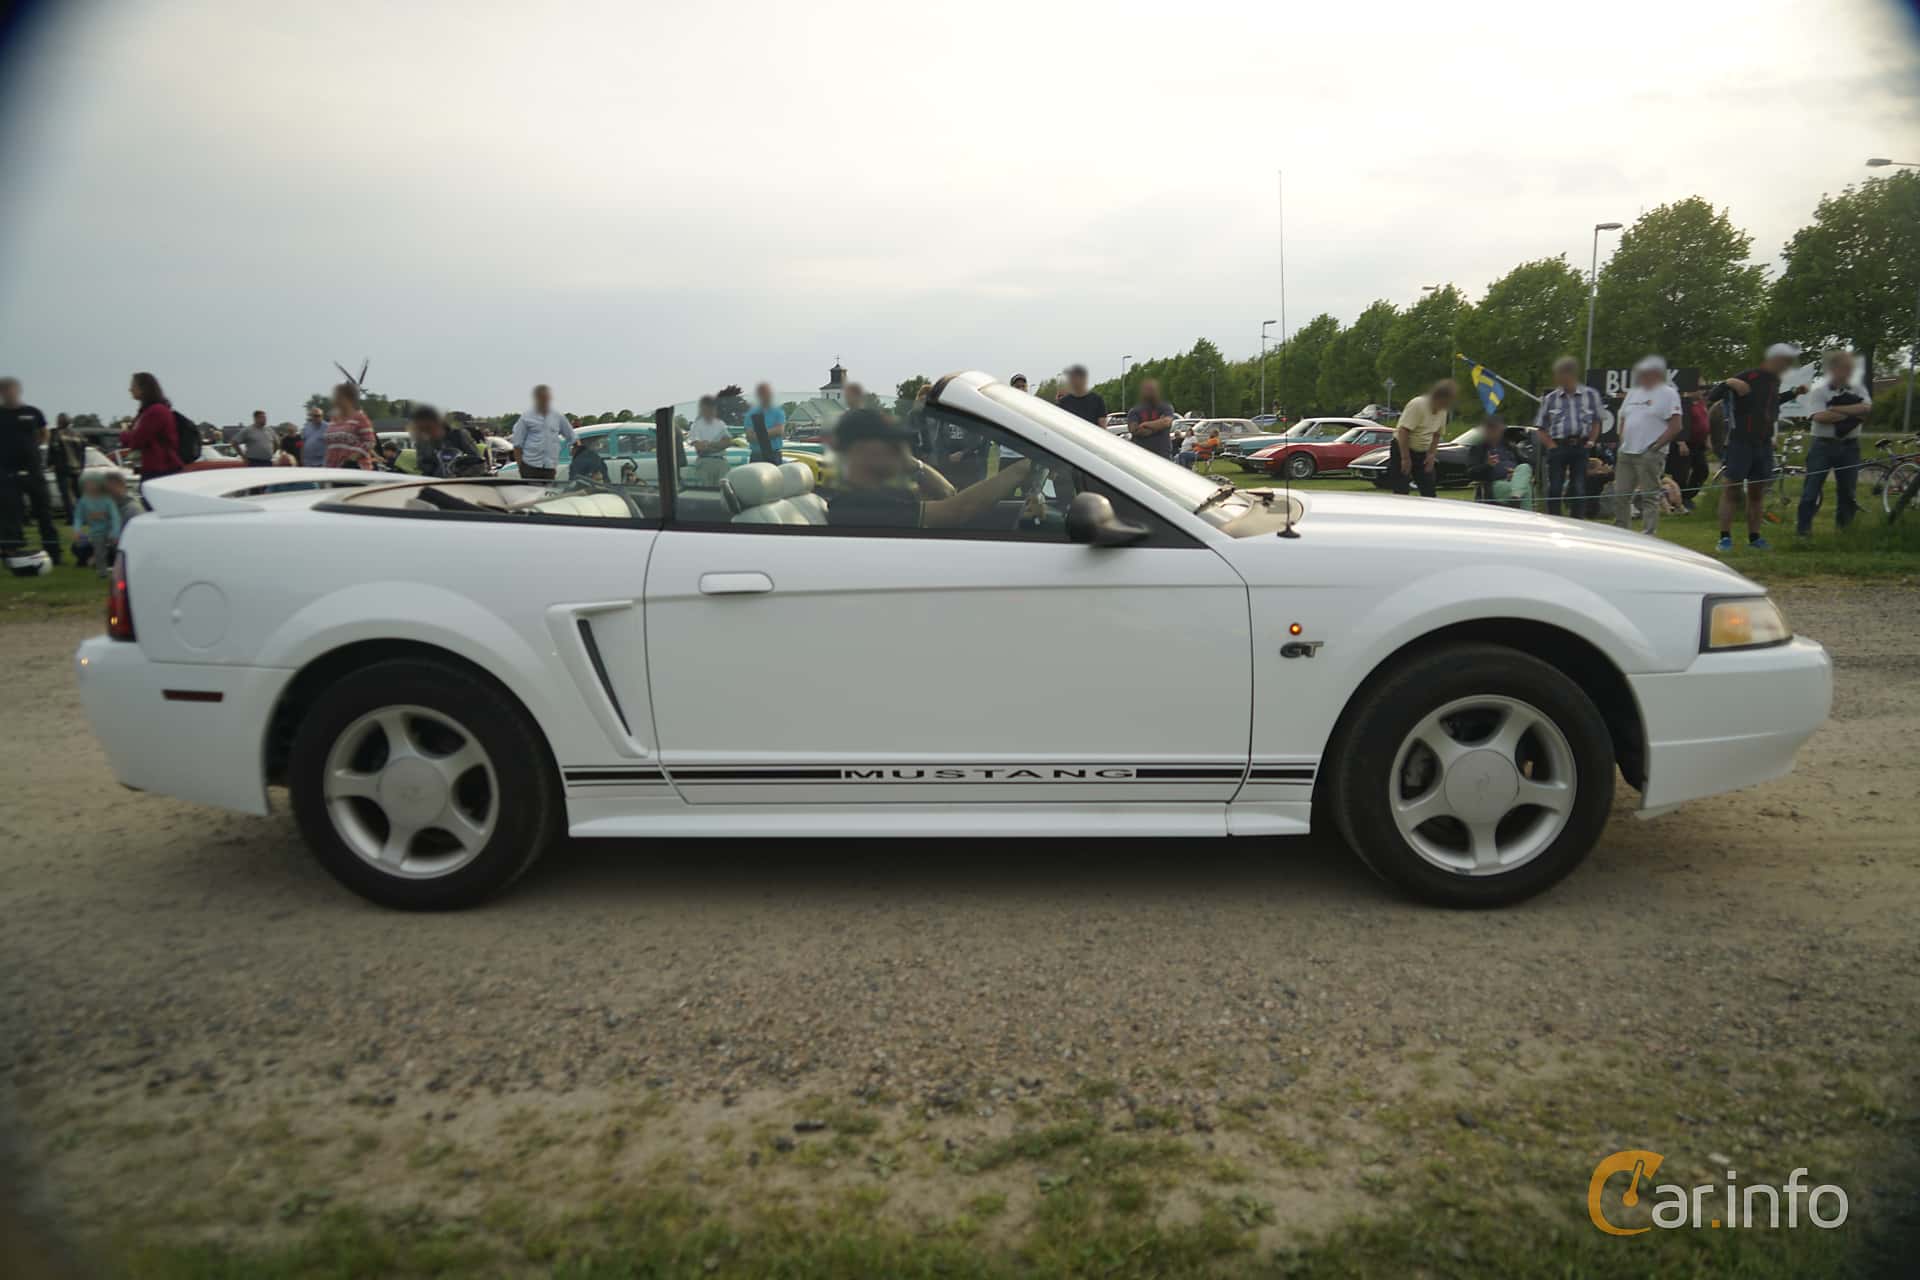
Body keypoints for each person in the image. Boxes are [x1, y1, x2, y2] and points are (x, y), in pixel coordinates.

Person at [827, 408, 1036, 529]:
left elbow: (947, 493)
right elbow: (957, 510)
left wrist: (913, 464)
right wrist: (1022, 468)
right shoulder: (857, 505)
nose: (900, 448)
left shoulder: (881, 492)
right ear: (860, 449)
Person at [1711, 342, 1805, 551]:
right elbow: (1713, 395)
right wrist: (1729, 382)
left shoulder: (1774, 382)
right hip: (1740, 443)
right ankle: (1724, 538)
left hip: (1763, 446)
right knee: (1731, 491)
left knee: (1756, 494)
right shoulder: (1750, 375)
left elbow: (1769, 404)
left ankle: (1755, 538)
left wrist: (1793, 393)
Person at [1796, 349, 1871, 538]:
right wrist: (1853, 413)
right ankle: (1803, 531)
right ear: (1834, 369)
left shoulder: (1858, 388)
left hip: (1850, 446)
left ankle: (1844, 530)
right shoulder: (1819, 391)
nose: (1850, 372)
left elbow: (1867, 408)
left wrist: (1836, 408)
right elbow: (1820, 417)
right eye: (1846, 368)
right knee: (1811, 490)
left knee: (1848, 491)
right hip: (1823, 446)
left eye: (1851, 368)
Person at [1613, 356, 1684, 535]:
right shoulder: (1633, 392)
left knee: (1649, 496)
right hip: (1626, 452)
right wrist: (1622, 440)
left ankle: (1648, 534)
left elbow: (1676, 425)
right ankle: (1622, 533)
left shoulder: (1668, 393)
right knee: (1621, 495)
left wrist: (1656, 446)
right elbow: (1622, 417)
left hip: (1650, 453)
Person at [1532, 357, 1606, 517]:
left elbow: (1597, 421)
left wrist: (1591, 441)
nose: (1559, 379)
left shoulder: (1590, 395)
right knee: (1555, 487)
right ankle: (1555, 518)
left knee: (1578, 487)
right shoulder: (1551, 398)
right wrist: (1551, 446)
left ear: (1571, 374)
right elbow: (1540, 427)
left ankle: (1577, 519)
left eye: (1562, 375)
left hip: (1580, 446)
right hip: (1558, 446)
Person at [0, 376, 62, 563]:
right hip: (7, 472)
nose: (9, 393)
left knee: (43, 511)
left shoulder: (33, 412)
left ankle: (53, 551)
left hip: (33, 470)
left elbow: (44, 433)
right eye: (5, 390)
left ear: (18, 391)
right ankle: (12, 551)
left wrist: (34, 448)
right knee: (10, 513)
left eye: (12, 389)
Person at [1392, 379, 1455, 497]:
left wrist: (1431, 455)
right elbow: (1403, 431)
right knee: (1401, 491)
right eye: (1443, 402)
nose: (1444, 406)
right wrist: (1405, 458)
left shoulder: (1443, 410)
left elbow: (1437, 434)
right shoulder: (1417, 404)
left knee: (1429, 490)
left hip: (1423, 452)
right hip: (1403, 449)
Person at [119, 371, 183, 482]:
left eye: (133, 386)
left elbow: (138, 440)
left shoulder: (155, 411)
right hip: (158, 467)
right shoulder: (154, 410)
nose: (130, 389)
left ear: (144, 388)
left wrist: (124, 434)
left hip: (160, 468)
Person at [509, 384, 574, 481]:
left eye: (547, 398)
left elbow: (571, 436)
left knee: (548, 495)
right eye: (542, 398)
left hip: (549, 468)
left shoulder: (557, 417)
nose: (545, 401)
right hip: (530, 467)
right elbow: (517, 445)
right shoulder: (526, 418)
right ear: (537, 399)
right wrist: (521, 468)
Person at [1466, 417, 1532, 508]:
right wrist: (1488, 465)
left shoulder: (1509, 446)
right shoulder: (1479, 449)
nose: (1496, 432)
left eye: (1498, 429)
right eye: (1492, 429)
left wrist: (1515, 474)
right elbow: (1471, 473)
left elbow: (1527, 465)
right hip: (1496, 484)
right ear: (1486, 431)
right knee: (1526, 490)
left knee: (1525, 467)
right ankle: (1519, 504)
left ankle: (1516, 497)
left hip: (1515, 480)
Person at [408, 403, 483, 479]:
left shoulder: (459, 435)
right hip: (435, 480)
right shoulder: (423, 442)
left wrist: (460, 467)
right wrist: (435, 470)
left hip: (462, 479)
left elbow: (476, 457)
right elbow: (422, 463)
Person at [1667, 389, 1711, 513]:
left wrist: (1707, 439)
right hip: (1684, 444)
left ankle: (1688, 496)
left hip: (1698, 444)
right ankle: (1680, 501)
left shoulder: (1701, 403)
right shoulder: (1682, 403)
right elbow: (1676, 422)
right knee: (1681, 474)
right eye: (1700, 388)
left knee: (1702, 470)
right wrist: (1681, 442)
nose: (1702, 391)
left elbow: (1705, 421)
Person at [70, 472, 122, 575]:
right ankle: (102, 572)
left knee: (118, 551)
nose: (89, 486)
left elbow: (115, 517)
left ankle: (120, 569)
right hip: (96, 532)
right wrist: (77, 531)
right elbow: (78, 518)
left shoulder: (107, 500)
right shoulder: (83, 502)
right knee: (99, 552)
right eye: (87, 484)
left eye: (92, 484)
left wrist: (115, 532)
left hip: (111, 532)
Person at [322, 382, 377, 470]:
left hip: (354, 469)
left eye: (339, 397)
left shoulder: (359, 417)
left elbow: (370, 442)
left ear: (348, 398)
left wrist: (352, 458)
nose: (335, 400)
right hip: (333, 469)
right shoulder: (334, 418)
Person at [687, 394, 732, 486]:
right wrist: (718, 445)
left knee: (723, 492)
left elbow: (727, 442)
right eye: (708, 407)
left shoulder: (720, 424)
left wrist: (708, 444)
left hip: (722, 462)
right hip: (704, 463)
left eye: (713, 407)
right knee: (706, 493)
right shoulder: (696, 425)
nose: (711, 410)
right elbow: (700, 448)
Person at [1126, 379, 1176, 458]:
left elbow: (1166, 422)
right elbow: (1134, 429)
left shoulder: (1165, 407)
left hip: (1162, 455)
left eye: (1152, 389)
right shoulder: (1135, 410)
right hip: (1140, 455)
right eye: (1147, 389)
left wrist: (1145, 424)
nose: (1149, 392)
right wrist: (1158, 425)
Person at [48, 411, 83, 518]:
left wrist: (49, 463)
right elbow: (83, 450)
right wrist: (82, 465)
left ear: (59, 422)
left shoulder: (56, 434)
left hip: (63, 469)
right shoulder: (77, 434)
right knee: (78, 494)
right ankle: (83, 516)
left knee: (66, 494)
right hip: (77, 468)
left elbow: (53, 450)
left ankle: (71, 517)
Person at [743, 383, 786, 464]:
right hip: (757, 455)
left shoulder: (778, 412)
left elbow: (779, 431)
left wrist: (757, 435)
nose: (765, 396)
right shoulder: (751, 413)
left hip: (774, 454)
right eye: (762, 393)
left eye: (767, 393)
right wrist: (770, 433)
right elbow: (749, 437)